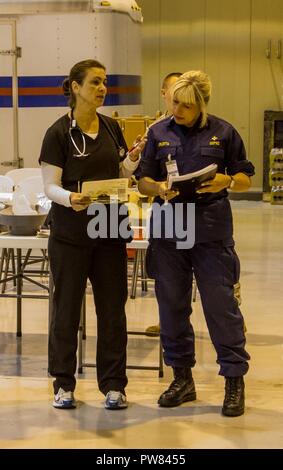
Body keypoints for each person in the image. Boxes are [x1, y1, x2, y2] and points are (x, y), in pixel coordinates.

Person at [138, 70, 255, 417]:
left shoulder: (224, 132)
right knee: (171, 307)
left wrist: (227, 181)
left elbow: (247, 178)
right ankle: (182, 378)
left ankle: (234, 380)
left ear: (201, 104)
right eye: (173, 101)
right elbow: (143, 180)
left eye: (185, 105)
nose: (177, 110)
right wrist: (158, 189)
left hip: (210, 231)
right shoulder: (159, 132)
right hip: (169, 230)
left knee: (221, 308)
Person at [39, 59, 144, 410]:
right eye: (95, 82)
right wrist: (71, 198)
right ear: (75, 87)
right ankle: (63, 383)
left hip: (110, 232)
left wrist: (132, 160)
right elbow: (50, 187)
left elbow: (119, 173)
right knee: (66, 311)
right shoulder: (57, 134)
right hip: (70, 236)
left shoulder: (112, 127)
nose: (102, 89)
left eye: (105, 83)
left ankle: (114, 385)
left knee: (113, 311)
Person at [144, 72, 183, 337]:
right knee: (165, 270)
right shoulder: (156, 130)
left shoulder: (208, 127)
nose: (178, 101)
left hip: (200, 211)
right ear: (163, 94)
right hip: (164, 207)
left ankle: (232, 314)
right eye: (173, 94)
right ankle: (165, 320)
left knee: (217, 274)